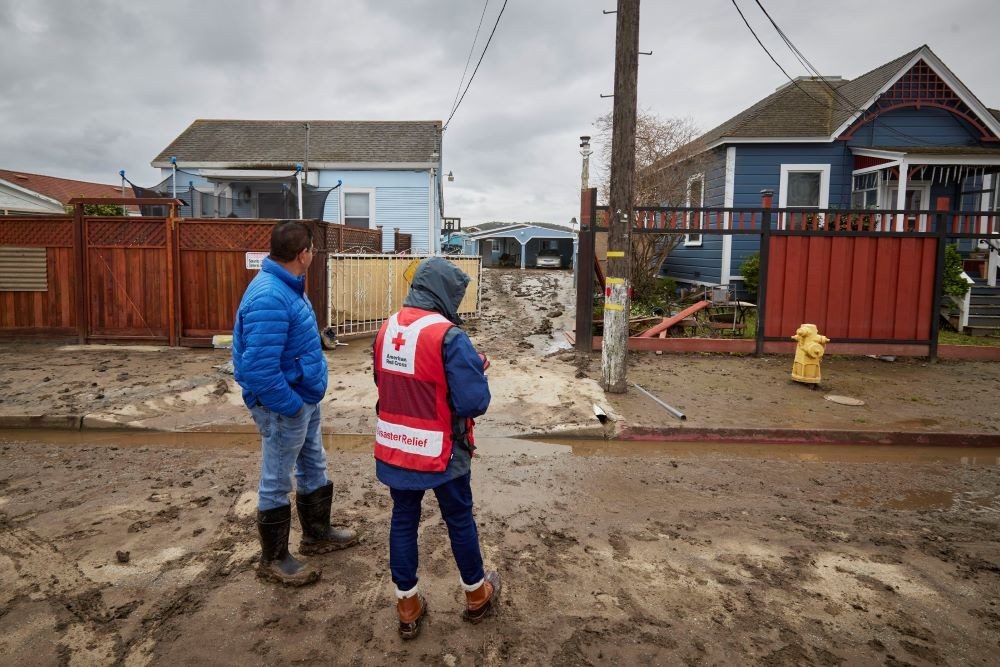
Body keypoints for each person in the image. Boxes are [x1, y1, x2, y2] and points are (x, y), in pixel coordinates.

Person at [373, 257, 501, 640]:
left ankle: (407, 605)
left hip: (396, 446)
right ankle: (477, 595)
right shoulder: (449, 336)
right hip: (442, 450)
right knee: (459, 519)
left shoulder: (386, 328)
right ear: (445, 293)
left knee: (403, 520)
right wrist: (473, 368)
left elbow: (385, 381)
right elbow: (472, 402)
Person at [233, 220, 359, 586]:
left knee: (313, 464)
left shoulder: (288, 286)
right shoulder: (269, 296)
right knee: (276, 479)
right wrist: (290, 405)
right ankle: (273, 559)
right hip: (284, 403)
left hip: (302, 397)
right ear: (303, 254)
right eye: (313, 250)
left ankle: (316, 534)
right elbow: (256, 369)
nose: (314, 255)